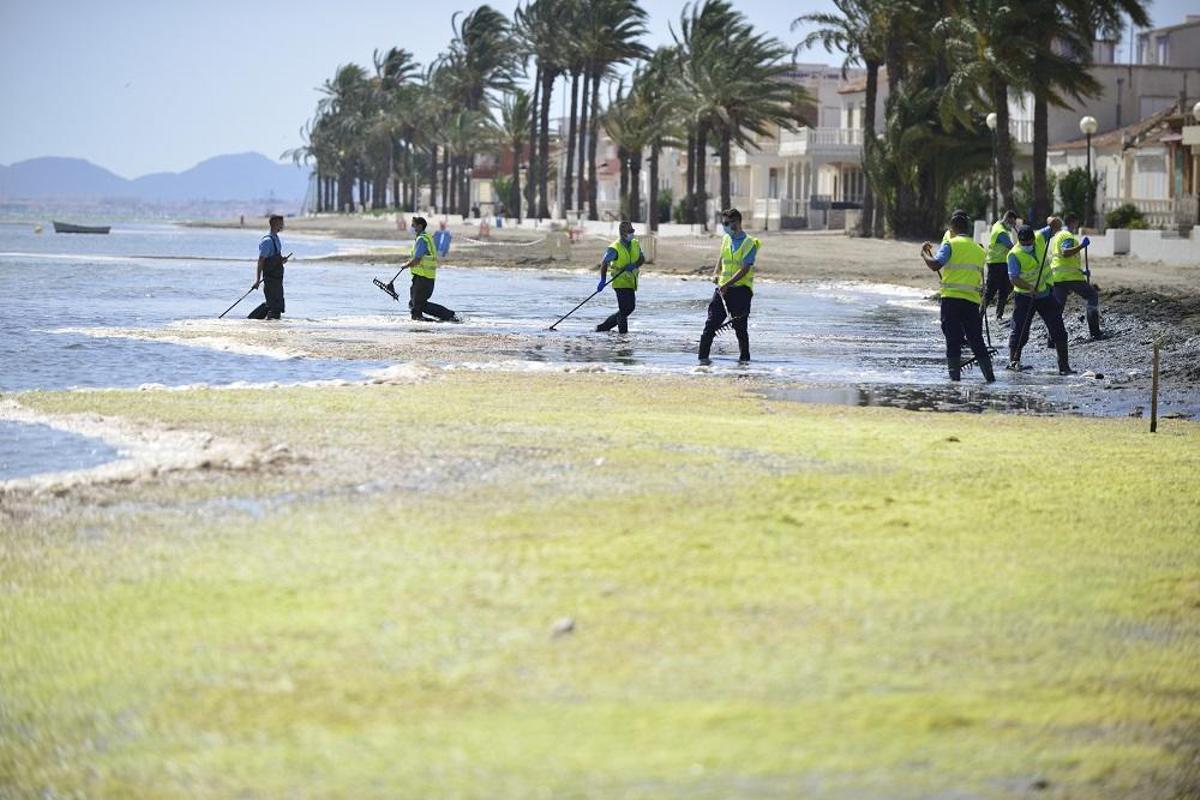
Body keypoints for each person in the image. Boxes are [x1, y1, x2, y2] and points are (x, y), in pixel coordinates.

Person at [921, 210, 995, 382]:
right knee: (977, 341)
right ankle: (990, 378)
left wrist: (923, 253)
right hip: (971, 301)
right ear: (969, 229)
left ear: (952, 228)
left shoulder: (950, 244)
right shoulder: (979, 249)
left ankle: (954, 382)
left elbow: (935, 265)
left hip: (951, 300)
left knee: (953, 341)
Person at [1006, 224, 1074, 374]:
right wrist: (1028, 287)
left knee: (1058, 328)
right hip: (1024, 297)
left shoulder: (1040, 238)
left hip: (1044, 294)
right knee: (1020, 330)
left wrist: (1054, 222)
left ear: (1033, 239)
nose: (1027, 246)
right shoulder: (1014, 254)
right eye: (1023, 244)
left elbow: (1052, 226)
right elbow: (1014, 278)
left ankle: (1064, 366)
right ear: (1019, 241)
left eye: (1029, 243)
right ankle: (1014, 361)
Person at [698, 208, 759, 364]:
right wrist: (715, 272)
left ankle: (744, 364)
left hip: (741, 291)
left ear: (736, 222)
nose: (724, 226)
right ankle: (702, 364)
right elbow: (721, 257)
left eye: (726, 223)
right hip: (722, 290)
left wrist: (728, 283)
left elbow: (745, 268)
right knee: (710, 325)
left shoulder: (749, 243)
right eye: (723, 223)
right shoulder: (726, 238)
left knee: (740, 329)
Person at [386, 216, 458, 322]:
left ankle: (448, 315)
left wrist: (406, 265)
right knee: (414, 304)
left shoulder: (422, 240)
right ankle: (443, 318)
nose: (412, 227)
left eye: (413, 225)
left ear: (420, 226)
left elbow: (417, 260)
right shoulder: (426, 237)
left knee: (417, 308)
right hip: (425, 278)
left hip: (423, 278)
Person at [1048, 212, 1101, 339]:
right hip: (1070, 277)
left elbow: (1061, 260)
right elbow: (1065, 253)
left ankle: (1052, 338)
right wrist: (1082, 246)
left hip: (1058, 277)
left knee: (1058, 308)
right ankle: (1095, 332)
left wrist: (1081, 271)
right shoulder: (1067, 235)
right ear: (1073, 222)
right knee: (1092, 295)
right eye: (1077, 223)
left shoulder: (1056, 237)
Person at [595, 220, 645, 333]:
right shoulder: (614, 248)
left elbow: (642, 258)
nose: (632, 233)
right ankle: (623, 337)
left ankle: (603, 327)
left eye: (633, 230)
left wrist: (635, 265)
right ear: (623, 233)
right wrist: (602, 280)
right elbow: (604, 263)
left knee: (630, 308)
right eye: (630, 231)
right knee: (624, 309)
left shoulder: (635, 243)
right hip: (619, 281)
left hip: (632, 281)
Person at [247, 215, 290, 320]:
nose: (283, 225)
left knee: (277, 304)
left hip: (278, 278)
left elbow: (276, 257)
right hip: (270, 278)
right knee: (274, 306)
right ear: (275, 224)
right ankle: (269, 329)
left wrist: (281, 260)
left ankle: (255, 321)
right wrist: (257, 280)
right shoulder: (267, 241)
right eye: (281, 223)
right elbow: (261, 261)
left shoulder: (276, 238)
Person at [984, 209, 1017, 320]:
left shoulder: (997, 225)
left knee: (1004, 289)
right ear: (1007, 219)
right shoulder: (1001, 232)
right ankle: (980, 314)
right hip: (996, 263)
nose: (1012, 226)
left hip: (1002, 262)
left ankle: (999, 315)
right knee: (991, 291)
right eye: (1012, 223)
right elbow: (1010, 246)